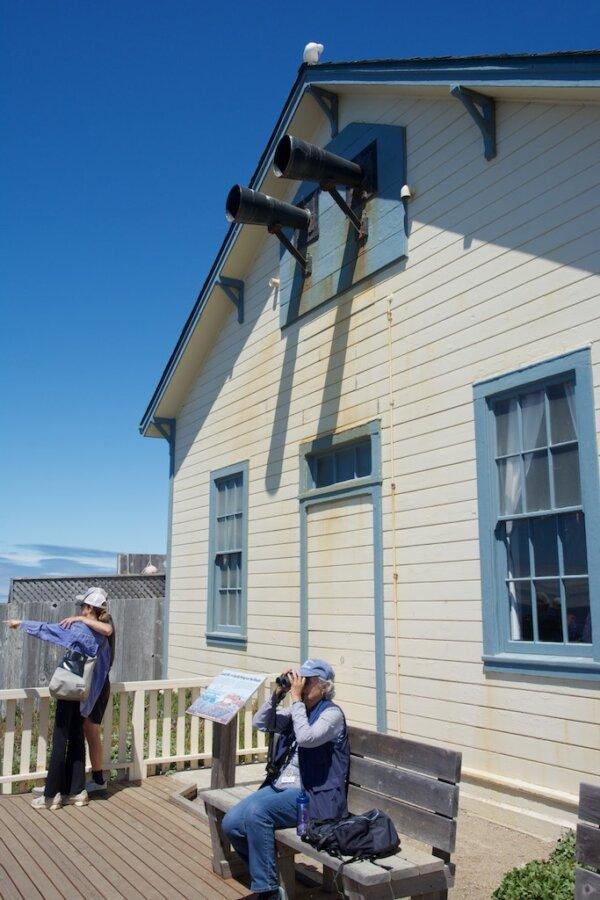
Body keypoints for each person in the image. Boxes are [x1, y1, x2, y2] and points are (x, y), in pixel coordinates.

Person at [221, 659, 349, 900]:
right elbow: (260, 722)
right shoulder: (299, 709)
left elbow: (306, 738)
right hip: (281, 786)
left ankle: (268, 891)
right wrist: (278, 694)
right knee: (232, 824)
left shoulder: (332, 715)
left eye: (307, 681)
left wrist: (297, 701)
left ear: (324, 687)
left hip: (314, 797)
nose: (300, 685)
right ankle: (268, 878)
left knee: (258, 812)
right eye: (300, 680)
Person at [5, 586, 113, 810]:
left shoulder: (81, 630)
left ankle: (50, 795)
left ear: (88, 607)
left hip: (69, 689)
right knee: (75, 740)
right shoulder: (102, 633)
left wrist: (22, 624)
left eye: (83, 606)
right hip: (84, 694)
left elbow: (49, 631)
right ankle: (77, 792)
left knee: (60, 740)